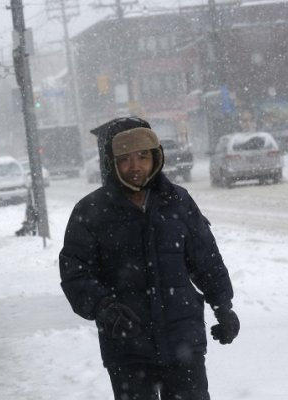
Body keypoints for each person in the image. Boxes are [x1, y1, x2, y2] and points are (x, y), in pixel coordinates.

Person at [59, 117, 240, 400]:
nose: (135, 166)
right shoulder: (91, 211)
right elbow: (75, 273)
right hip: (127, 346)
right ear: (111, 163)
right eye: (125, 159)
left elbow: (206, 260)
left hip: (183, 340)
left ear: (156, 156)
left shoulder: (178, 201)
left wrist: (223, 307)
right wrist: (104, 307)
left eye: (143, 156)